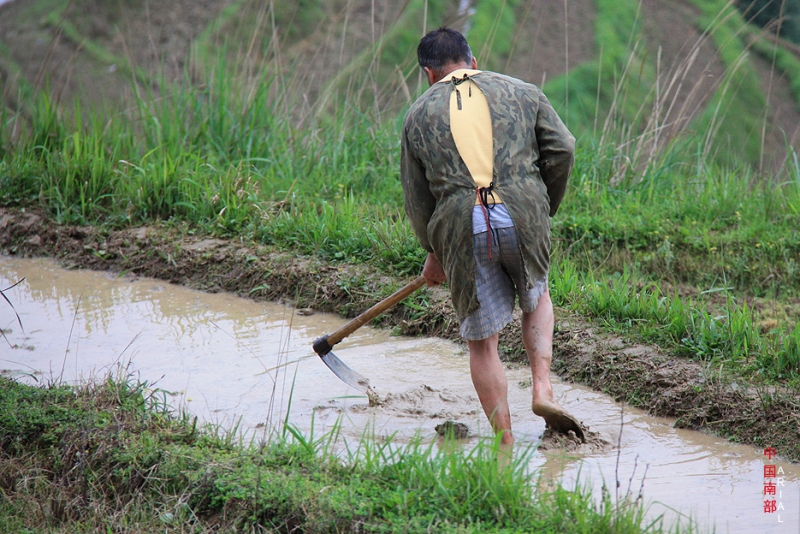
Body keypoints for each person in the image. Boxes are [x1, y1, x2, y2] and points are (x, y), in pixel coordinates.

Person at [400, 27, 580, 445]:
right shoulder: (524, 91)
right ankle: (542, 389)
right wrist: (540, 203)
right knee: (536, 298)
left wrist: (434, 250)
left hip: (461, 225)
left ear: (428, 75)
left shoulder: (416, 115)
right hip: (524, 212)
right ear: (473, 62)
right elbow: (564, 148)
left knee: (482, 343)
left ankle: (505, 441)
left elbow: (417, 197)